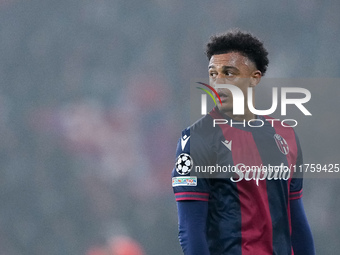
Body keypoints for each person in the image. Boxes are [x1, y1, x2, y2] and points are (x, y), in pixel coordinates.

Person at [171, 30, 315, 255]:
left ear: (254, 78)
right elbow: (190, 230)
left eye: (229, 73)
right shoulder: (196, 139)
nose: (218, 82)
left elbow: (296, 221)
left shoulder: (285, 135)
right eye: (213, 73)